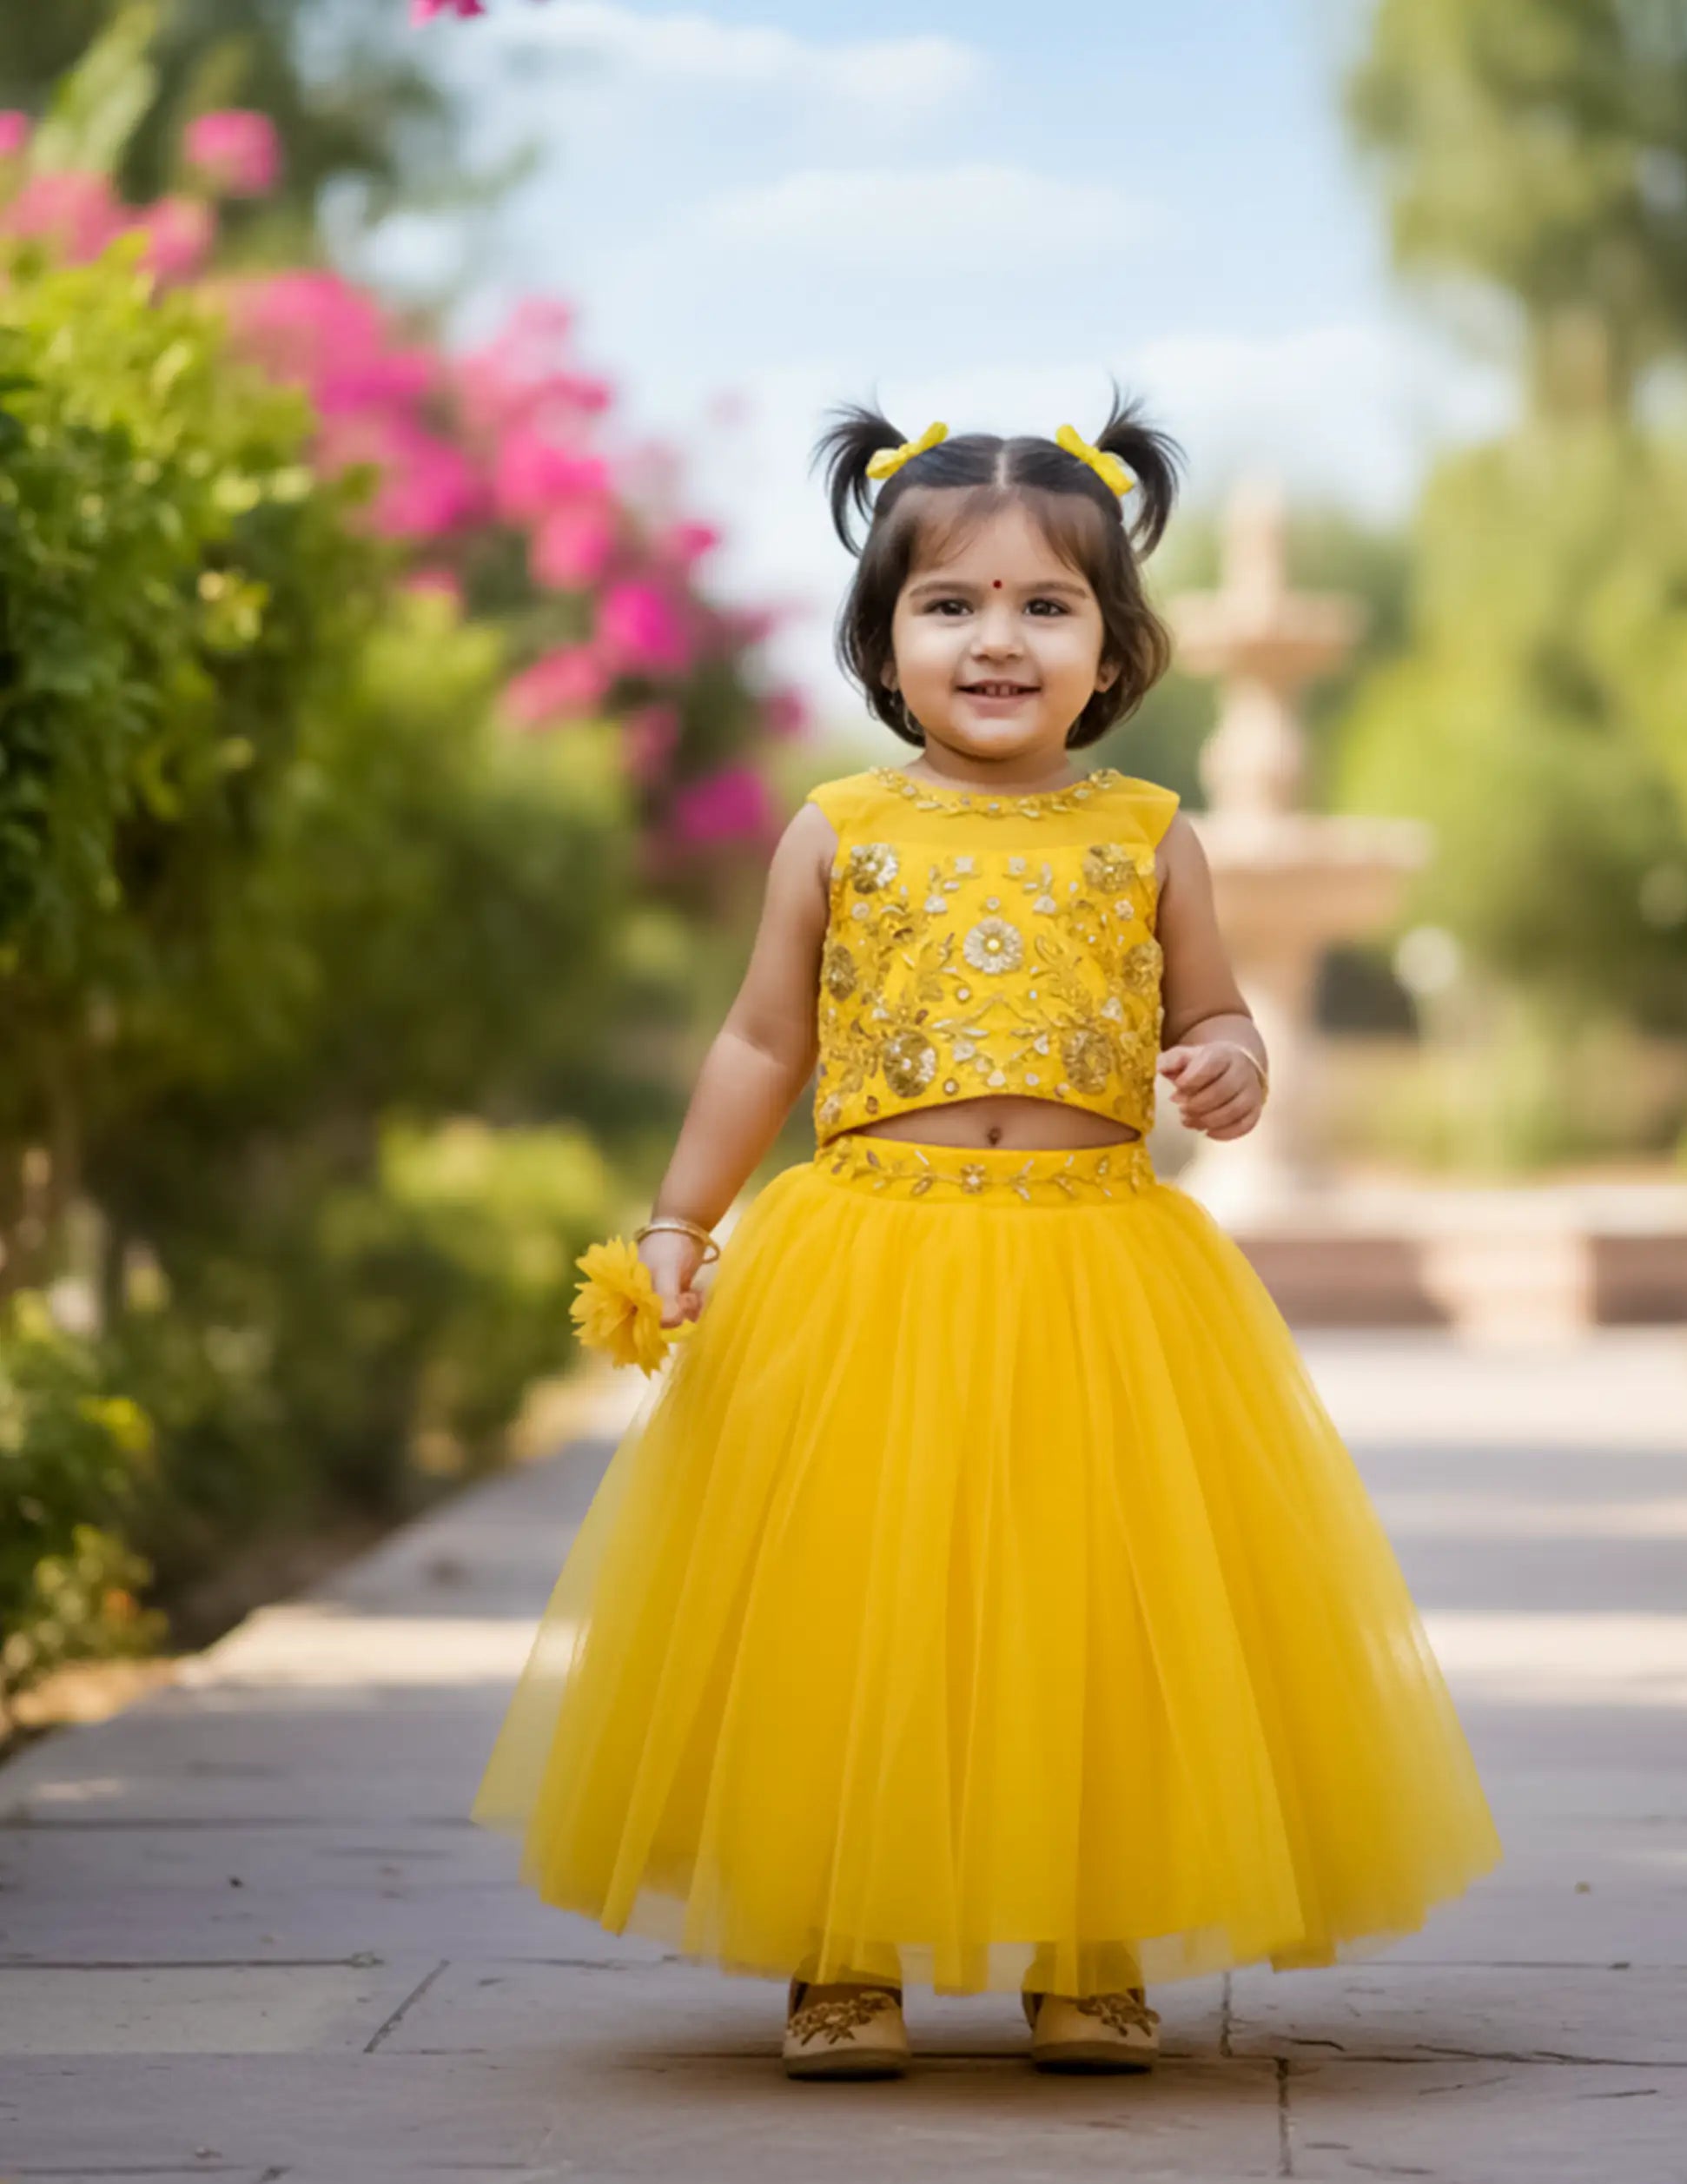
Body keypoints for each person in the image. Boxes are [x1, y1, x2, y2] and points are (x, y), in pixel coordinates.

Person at [469, 386, 1501, 2081]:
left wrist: (1228, 1064)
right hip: (867, 1259)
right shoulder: (839, 832)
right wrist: (677, 1214)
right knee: (845, 1602)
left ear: (1114, 645)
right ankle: (840, 1947)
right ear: (884, 646)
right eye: (948, 605)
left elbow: (1229, 1014)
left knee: (1097, 1605)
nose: (996, 638)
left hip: (1098, 1260)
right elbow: (758, 1041)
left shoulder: (1149, 837)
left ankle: (1089, 1949)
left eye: (1045, 604)